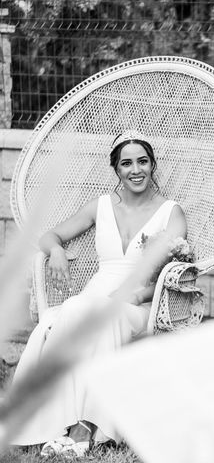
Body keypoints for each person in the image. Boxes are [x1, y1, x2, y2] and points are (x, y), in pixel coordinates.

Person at [11, 131, 187, 457]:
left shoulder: (170, 212)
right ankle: (70, 425)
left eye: (143, 162)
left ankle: (84, 426)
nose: (136, 170)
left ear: (153, 166)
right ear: (117, 170)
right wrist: (58, 252)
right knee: (80, 310)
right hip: (93, 299)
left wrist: (134, 297)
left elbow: (173, 276)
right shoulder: (101, 206)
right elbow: (50, 236)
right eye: (127, 163)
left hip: (138, 304)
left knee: (80, 312)